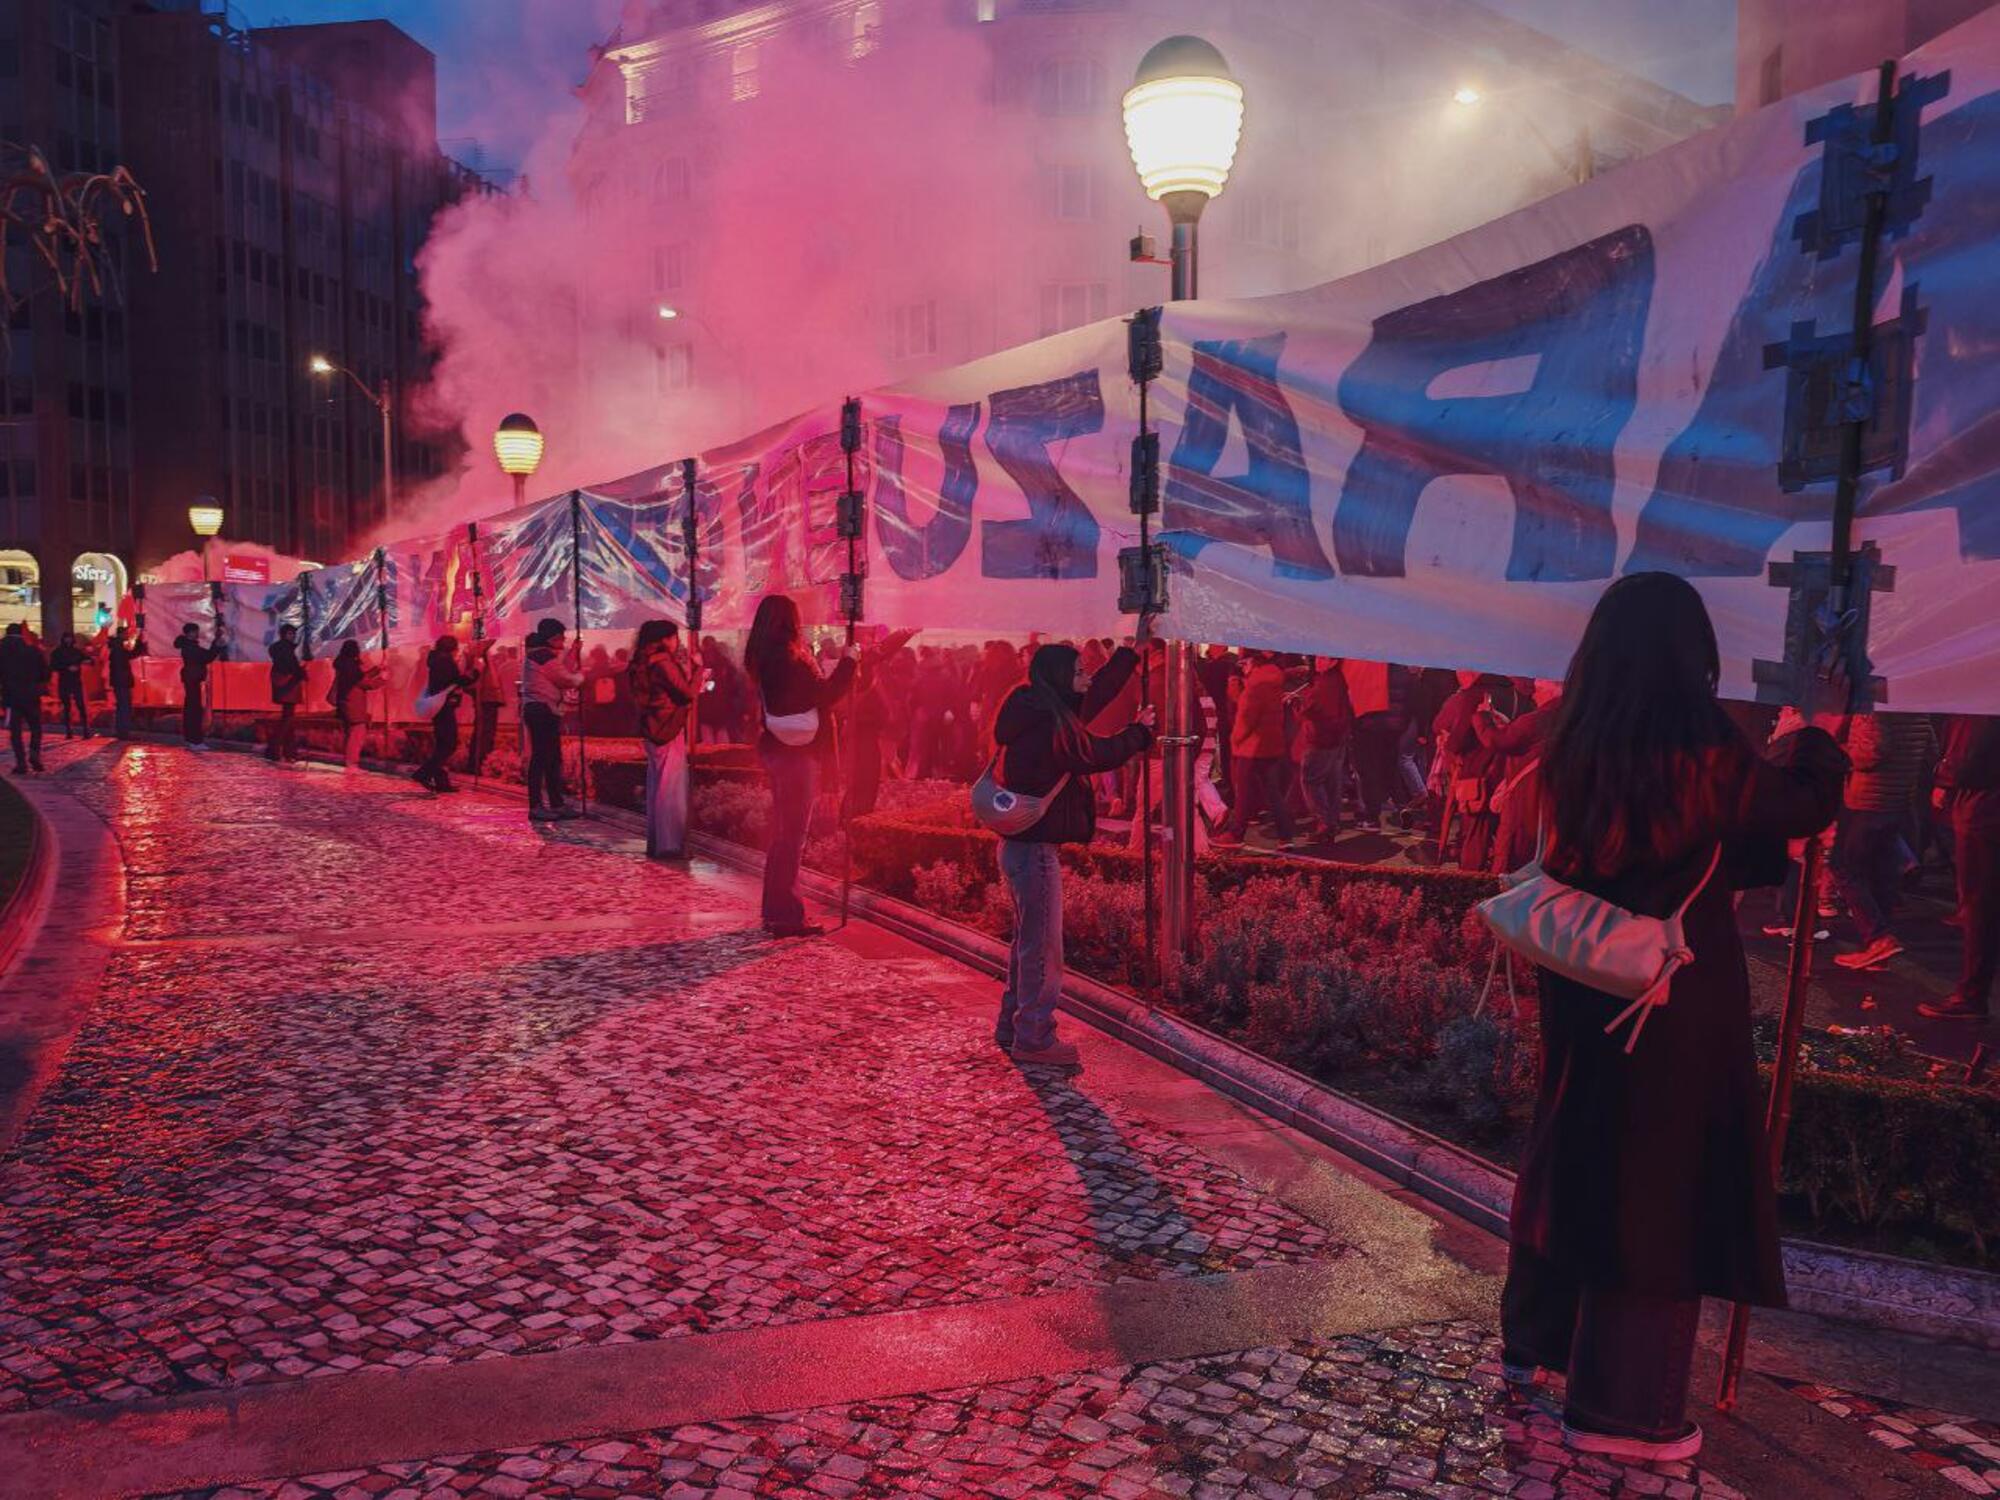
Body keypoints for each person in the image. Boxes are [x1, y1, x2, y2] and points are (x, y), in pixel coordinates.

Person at [1501, 572, 1846, 1464]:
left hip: (1586, 985)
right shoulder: (1693, 744)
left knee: (1577, 1142)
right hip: (1667, 995)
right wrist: (1819, 735)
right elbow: (1795, 809)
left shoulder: (1577, 735)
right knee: (1657, 1180)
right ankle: (1625, 1411)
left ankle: (1537, 1345)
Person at [990, 643, 1151, 1067]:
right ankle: (1035, 1038)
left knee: (1028, 944)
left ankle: (1013, 1025)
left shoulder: (1037, 709)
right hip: (1035, 850)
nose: (1086, 678)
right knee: (1043, 949)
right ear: (1062, 678)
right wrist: (1138, 733)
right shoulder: (1048, 726)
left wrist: (1129, 655)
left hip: (1019, 845)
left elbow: (1094, 696)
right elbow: (1093, 755)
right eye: (1079, 671)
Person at [744, 594, 856, 937]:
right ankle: (786, 914)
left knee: (783, 834)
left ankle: (776, 911)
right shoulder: (789, 658)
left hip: (777, 748)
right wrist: (850, 662)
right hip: (796, 754)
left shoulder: (764, 656)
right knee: (792, 836)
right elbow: (823, 695)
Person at [1828, 711, 1938, 971]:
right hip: (1899, 800)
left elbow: (1870, 752)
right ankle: (1878, 954)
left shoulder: (1873, 707)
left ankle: (1877, 938)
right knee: (1883, 872)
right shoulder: (1919, 709)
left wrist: (1841, 750)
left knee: (1843, 866)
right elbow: (1931, 751)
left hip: (1868, 799)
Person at [1921, 715, 2000, 1022]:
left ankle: (1972, 995)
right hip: (1985, 803)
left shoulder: (1982, 697)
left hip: (1984, 807)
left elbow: (1970, 756)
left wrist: (1944, 776)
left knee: (1980, 904)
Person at [629, 619, 703, 860]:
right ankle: (670, 845)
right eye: (674, 637)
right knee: (669, 788)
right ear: (663, 639)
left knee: (656, 786)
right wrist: (698, 669)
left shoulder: (640, 662)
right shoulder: (662, 663)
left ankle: (658, 841)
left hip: (651, 729)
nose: (677, 642)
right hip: (668, 728)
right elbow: (686, 693)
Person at [1216, 651, 1299, 848]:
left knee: (1243, 792)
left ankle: (1236, 834)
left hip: (1251, 747)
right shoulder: (1272, 679)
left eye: (1245, 663)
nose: (1243, 667)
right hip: (1270, 745)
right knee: (1272, 792)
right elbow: (1242, 701)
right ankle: (1285, 835)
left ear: (1253, 662)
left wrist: (1235, 740)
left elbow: (1246, 715)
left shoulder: (1256, 684)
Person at [521, 619, 582, 821]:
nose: (563, 641)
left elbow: (560, 669)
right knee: (541, 758)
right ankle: (537, 805)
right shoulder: (542, 656)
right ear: (553, 638)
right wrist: (580, 677)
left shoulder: (543, 655)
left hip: (542, 710)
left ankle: (555, 803)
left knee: (552, 758)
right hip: (541, 710)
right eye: (561, 637)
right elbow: (565, 678)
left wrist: (573, 652)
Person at [414, 635, 485, 794]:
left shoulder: (435, 659)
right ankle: (423, 773)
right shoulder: (444, 661)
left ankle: (442, 782)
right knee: (449, 744)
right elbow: (456, 680)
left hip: (439, 705)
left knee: (442, 744)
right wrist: (476, 672)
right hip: (444, 705)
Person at [1295, 657, 1354, 840]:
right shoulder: (1338, 679)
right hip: (1336, 738)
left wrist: (1300, 705)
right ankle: (1332, 822)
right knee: (1331, 783)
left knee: (1311, 780)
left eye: (1323, 658)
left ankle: (1325, 823)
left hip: (1322, 739)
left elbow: (1317, 710)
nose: (1319, 661)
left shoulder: (1326, 683)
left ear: (1333, 661)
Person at [0, 624, 48, 774]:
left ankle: (21, 762)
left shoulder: (2, 652)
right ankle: (34, 753)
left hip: (12, 697)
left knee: (15, 731)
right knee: (35, 727)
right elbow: (45, 673)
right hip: (32, 695)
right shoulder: (33, 651)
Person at [176, 621, 224, 748]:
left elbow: (206, 656)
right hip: (192, 679)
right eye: (195, 631)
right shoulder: (190, 647)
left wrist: (215, 644)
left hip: (191, 678)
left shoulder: (188, 645)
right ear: (189, 633)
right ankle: (195, 740)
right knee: (194, 710)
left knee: (191, 708)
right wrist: (216, 645)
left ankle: (191, 738)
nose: (197, 633)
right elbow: (206, 657)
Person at [266, 624, 306, 764]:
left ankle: (289, 751)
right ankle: (274, 748)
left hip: (284, 686)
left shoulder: (280, 649)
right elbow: (291, 666)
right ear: (284, 634)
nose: (293, 636)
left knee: (288, 718)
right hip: (289, 686)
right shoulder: (285, 649)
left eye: (294, 633)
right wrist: (301, 673)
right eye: (290, 633)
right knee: (288, 719)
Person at [107, 627, 145, 740]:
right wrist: (139, 642)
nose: (127, 635)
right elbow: (131, 655)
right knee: (125, 706)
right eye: (126, 633)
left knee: (122, 706)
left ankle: (121, 731)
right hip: (122, 681)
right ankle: (123, 731)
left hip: (119, 681)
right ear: (121, 634)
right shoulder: (119, 648)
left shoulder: (116, 647)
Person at [49, 632, 89, 739]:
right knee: (67, 707)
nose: (69, 640)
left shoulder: (75, 651)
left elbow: (88, 659)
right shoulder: (59, 652)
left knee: (79, 705)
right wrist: (67, 667)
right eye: (67, 638)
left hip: (73, 680)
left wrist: (84, 661)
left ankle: (84, 729)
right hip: (66, 680)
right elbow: (53, 666)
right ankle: (70, 730)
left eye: (70, 638)